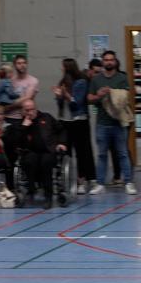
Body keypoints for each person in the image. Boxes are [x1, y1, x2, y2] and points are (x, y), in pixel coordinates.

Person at [87, 50, 136, 195]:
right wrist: (98, 95)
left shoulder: (122, 78)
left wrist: (112, 92)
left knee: (122, 154)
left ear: (115, 61)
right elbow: (89, 98)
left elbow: (126, 97)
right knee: (101, 155)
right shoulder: (96, 79)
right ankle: (100, 183)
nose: (109, 62)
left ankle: (128, 182)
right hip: (102, 123)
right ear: (103, 62)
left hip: (119, 123)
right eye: (106, 60)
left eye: (111, 59)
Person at [4, 99, 67, 208]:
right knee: (29, 161)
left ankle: (48, 196)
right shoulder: (19, 124)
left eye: (32, 109)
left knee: (46, 162)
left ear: (36, 108)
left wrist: (62, 143)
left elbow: (61, 130)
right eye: (27, 110)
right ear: (22, 111)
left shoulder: (47, 117)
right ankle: (31, 188)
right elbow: (15, 142)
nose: (30, 112)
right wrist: (24, 127)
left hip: (48, 151)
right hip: (29, 152)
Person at [52, 58, 96, 194]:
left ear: (68, 68)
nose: (61, 69)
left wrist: (65, 95)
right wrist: (58, 96)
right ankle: (66, 181)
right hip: (65, 121)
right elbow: (61, 104)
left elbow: (77, 103)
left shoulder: (81, 82)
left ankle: (82, 180)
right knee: (65, 151)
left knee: (82, 152)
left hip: (78, 120)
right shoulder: (63, 82)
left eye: (63, 67)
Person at [6, 54, 39, 126]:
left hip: (25, 117)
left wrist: (8, 106)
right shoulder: (10, 80)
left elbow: (27, 98)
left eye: (24, 63)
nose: (22, 65)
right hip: (9, 117)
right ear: (14, 65)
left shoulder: (33, 80)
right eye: (19, 63)